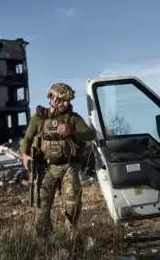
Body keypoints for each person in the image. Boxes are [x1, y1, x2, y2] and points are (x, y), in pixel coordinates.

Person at [20, 83, 96, 237]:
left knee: (73, 204)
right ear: (52, 98)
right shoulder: (39, 118)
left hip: (69, 166)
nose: (65, 104)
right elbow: (27, 138)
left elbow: (89, 134)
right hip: (46, 168)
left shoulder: (73, 118)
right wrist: (24, 155)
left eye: (67, 101)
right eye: (62, 100)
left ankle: (70, 237)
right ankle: (44, 242)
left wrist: (71, 132)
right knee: (42, 207)